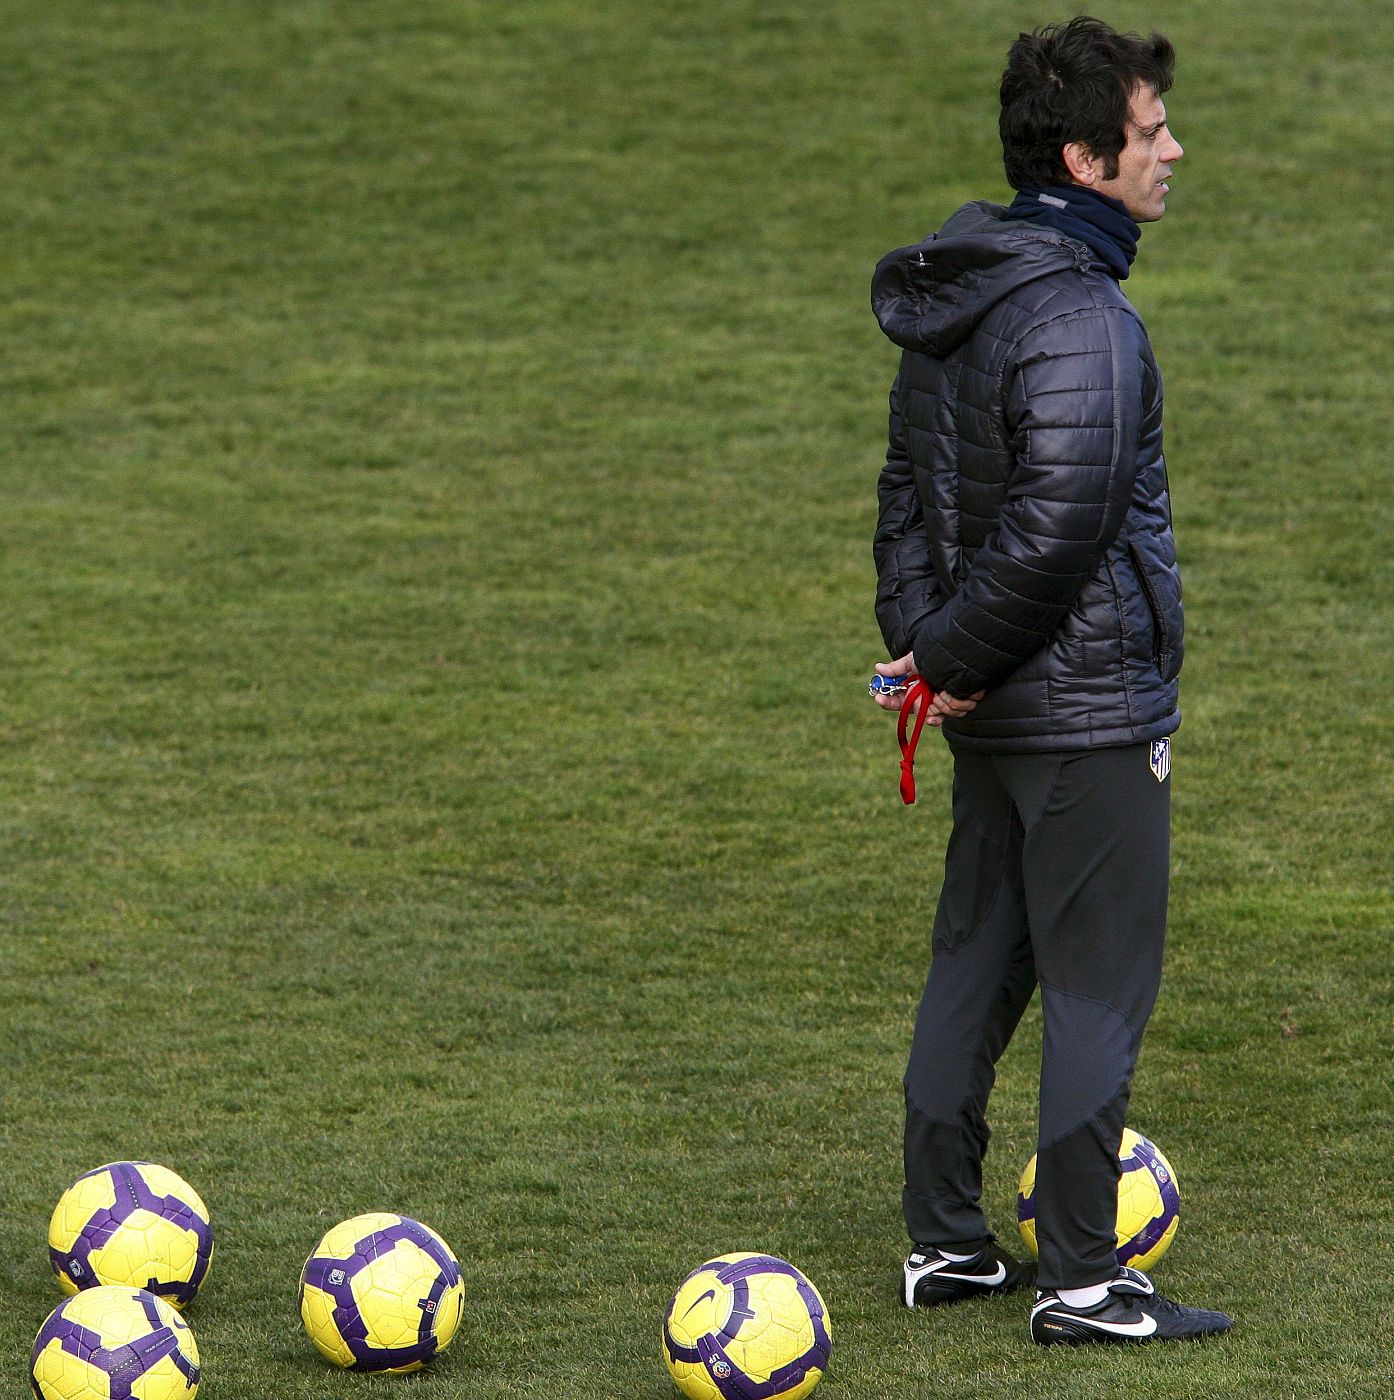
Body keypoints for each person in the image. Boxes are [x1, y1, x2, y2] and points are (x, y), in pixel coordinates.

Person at [868, 16, 1231, 1345]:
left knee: (977, 961)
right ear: (1083, 158)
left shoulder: (957, 290)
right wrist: (949, 660)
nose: (1171, 150)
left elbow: (906, 504)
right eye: (1148, 133)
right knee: (1091, 989)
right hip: (1084, 717)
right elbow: (1058, 524)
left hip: (991, 705)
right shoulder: (1083, 317)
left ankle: (944, 1247)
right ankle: (1083, 1280)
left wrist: (932, 660)